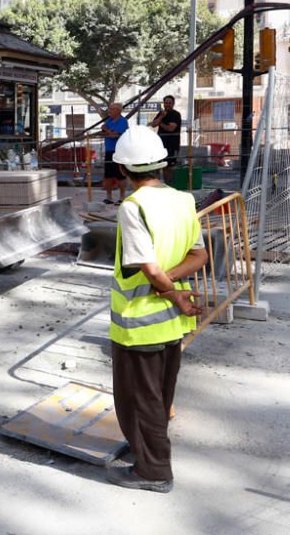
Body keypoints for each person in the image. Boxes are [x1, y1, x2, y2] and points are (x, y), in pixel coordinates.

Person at [106, 127, 208, 494]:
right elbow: (200, 255)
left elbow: (147, 265)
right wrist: (174, 289)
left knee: (140, 399)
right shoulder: (183, 199)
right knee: (160, 395)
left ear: (123, 170)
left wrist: (165, 287)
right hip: (170, 323)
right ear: (161, 164)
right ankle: (148, 453)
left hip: (139, 323)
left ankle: (153, 470)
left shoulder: (132, 208)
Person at [148, 96, 182, 185]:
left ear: (173, 104)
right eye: (166, 103)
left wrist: (160, 123)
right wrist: (161, 117)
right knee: (159, 166)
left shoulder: (176, 114)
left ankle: (170, 185)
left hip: (172, 145)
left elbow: (171, 128)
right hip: (160, 146)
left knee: (169, 167)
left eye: (169, 103)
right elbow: (153, 124)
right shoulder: (161, 113)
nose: (167, 105)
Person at [100, 102, 129, 205]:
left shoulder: (123, 121)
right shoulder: (110, 120)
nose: (109, 111)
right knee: (108, 175)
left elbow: (115, 135)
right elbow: (103, 127)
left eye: (111, 109)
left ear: (118, 110)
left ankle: (122, 197)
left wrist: (107, 130)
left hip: (119, 151)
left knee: (120, 175)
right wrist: (108, 131)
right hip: (109, 151)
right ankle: (109, 197)